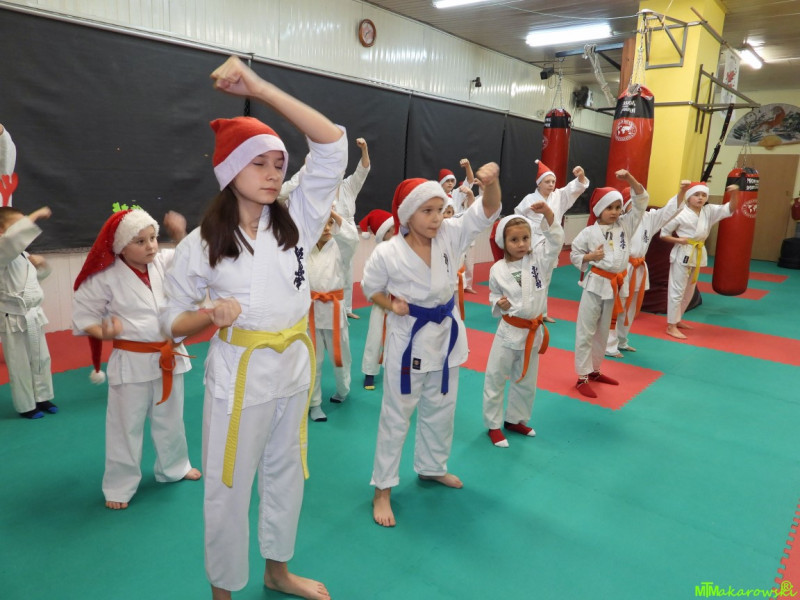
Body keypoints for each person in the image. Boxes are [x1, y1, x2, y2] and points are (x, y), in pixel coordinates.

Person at [160, 56, 346, 600]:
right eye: (259, 163)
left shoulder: (298, 219)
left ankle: (277, 570)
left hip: (292, 367)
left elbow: (333, 145)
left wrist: (261, 89)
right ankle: (223, 589)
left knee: (286, 474)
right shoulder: (202, 243)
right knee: (228, 485)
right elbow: (171, 320)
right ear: (229, 171)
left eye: (279, 164)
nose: (272, 174)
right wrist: (208, 316)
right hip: (239, 378)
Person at [361, 163, 502, 528]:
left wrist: (491, 184)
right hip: (409, 339)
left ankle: (431, 467)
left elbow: (487, 210)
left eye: (440, 209)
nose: (437, 218)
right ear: (408, 213)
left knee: (442, 409)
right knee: (396, 416)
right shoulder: (388, 252)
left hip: (446, 335)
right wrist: (390, 304)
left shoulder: (449, 235)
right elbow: (370, 288)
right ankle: (382, 488)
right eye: (427, 211)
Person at [72, 208, 201, 509]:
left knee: (171, 419)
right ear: (120, 246)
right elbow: (84, 315)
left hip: (168, 355)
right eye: (140, 241)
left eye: (153, 238)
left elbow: (193, 262)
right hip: (132, 359)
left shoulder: (164, 261)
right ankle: (119, 485)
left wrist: (180, 235)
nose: (151, 246)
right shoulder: (105, 276)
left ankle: (174, 467)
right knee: (125, 426)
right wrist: (102, 332)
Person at [482, 205, 563, 448]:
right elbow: (493, 294)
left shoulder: (538, 259)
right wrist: (499, 302)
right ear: (503, 242)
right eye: (514, 240)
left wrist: (548, 214)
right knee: (496, 378)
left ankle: (516, 420)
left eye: (525, 238)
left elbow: (555, 241)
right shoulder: (497, 269)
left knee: (526, 379)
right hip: (508, 332)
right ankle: (493, 425)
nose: (521, 244)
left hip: (532, 331)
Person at [570, 170, 647, 398]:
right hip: (596, 284)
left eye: (618, 207)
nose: (614, 212)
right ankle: (582, 376)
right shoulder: (588, 232)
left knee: (604, 331)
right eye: (609, 208)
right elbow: (575, 253)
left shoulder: (625, 225)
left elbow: (641, 201)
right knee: (586, 331)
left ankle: (594, 370)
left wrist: (630, 179)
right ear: (598, 210)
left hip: (616, 285)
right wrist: (589, 257)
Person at [282, 137, 370, 319]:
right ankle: (314, 305)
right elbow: (284, 193)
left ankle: (346, 309)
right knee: (319, 270)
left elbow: (363, 170)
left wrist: (364, 149)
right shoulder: (317, 185)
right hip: (323, 231)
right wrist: (305, 171)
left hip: (345, 231)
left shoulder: (349, 186)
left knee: (346, 270)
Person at [605, 180, 688, 357]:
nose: (638, 207)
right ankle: (609, 344)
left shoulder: (649, 218)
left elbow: (669, 211)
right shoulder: (619, 221)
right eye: (633, 203)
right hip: (622, 267)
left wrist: (682, 192)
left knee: (631, 308)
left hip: (639, 267)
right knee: (617, 306)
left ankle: (622, 340)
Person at [660, 182, 740, 339]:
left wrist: (735, 194)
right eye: (696, 195)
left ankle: (678, 319)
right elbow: (664, 234)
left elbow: (730, 209)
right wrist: (679, 240)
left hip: (697, 252)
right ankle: (671, 326)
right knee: (677, 290)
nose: (700, 198)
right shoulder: (680, 213)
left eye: (703, 195)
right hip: (683, 252)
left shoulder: (708, 211)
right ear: (689, 197)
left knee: (689, 290)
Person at [0, 204, 56, 419]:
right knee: (20, 363)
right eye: (18, 224)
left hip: (33, 315)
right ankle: (26, 405)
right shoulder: (2, 252)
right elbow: (11, 241)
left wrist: (43, 266)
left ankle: (43, 397)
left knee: (41, 358)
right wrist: (36, 214)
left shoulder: (23, 255)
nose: (24, 227)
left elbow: (33, 283)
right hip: (13, 317)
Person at [515, 160, 588, 322]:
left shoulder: (558, 196)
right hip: (532, 241)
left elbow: (574, 188)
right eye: (547, 181)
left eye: (553, 181)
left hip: (551, 241)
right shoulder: (529, 199)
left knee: (546, 277)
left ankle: (542, 312)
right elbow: (517, 218)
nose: (551, 184)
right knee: (531, 276)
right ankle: (526, 310)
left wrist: (581, 176)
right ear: (539, 183)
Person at [307, 209, 358, 421]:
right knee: (313, 360)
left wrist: (332, 212)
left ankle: (343, 389)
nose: (327, 228)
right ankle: (315, 404)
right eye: (322, 224)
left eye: (330, 223)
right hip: (311, 312)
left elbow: (353, 238)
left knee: (341, 357)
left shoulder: (340, 247)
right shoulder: (305, 248)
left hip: (334, 310)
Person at [358, 209, 395, 391]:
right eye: (390, 230)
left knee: (399, 338)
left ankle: (395, 370)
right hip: (382, 303)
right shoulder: (378, 253)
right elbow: (367, 281)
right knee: (375, 337)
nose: (395, 231)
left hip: (401, 302)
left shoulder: (405, 249)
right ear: (383, 234)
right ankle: (369, 372)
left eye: (395, 228)